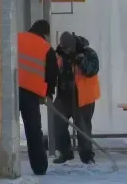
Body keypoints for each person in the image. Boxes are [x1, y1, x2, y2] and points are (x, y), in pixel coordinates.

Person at [18, 19, 58, 175]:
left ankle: (5, 162)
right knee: (33, 131)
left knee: (6, 129)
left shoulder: (15, 38)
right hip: (31, 94)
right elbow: (52, 74)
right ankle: (39, 167)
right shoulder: (46, 48)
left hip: (10, 91)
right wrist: (48, 94)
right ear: (46, 33)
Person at [52, 32, 99, 165]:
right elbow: (54, 72)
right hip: (64, 95)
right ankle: (65, 152)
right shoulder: (60, 55)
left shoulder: (88, 53)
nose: (66, 50)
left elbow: (92, 70)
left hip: (83, 96)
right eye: (64, 47)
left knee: (83, 126)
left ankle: (87, 155)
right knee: (58, 123)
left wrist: (78, 60)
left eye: (68, 48)